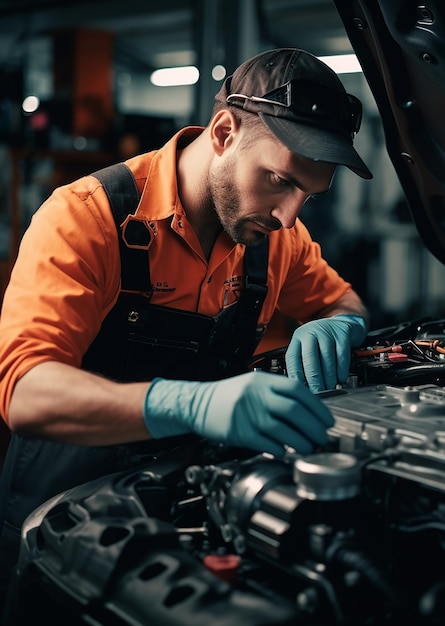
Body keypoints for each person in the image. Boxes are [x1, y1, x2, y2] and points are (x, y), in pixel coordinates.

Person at [0, 47, 371, 611]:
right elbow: (26, 394)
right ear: (224, 132)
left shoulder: (277, 242)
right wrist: (190, 405)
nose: (289, 216)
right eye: (277, 180)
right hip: (62, 530)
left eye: (307, 196)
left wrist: (339, 324)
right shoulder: (86, 218)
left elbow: (345, 302)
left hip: (185, 518)